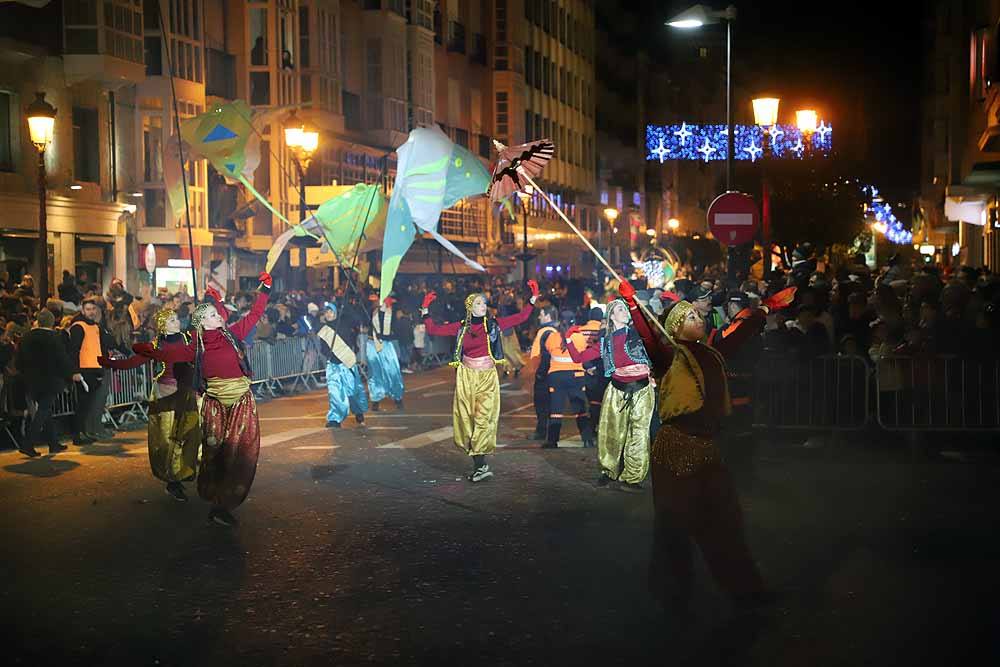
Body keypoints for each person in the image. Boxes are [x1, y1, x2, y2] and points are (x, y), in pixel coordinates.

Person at [621, 280, 795, 612]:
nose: (699, 320)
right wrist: (633, 305)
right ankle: (673, 595)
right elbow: (647, 337)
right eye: (689, 318)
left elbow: (742, 334)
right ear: (673, 327)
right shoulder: (669, 356)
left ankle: (746, 590)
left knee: (726, 522)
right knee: (674, 525)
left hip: (708, 446)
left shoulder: (714, 352)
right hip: (675, 447)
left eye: (698, 317)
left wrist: (766, 307)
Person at [136, 272, 272, 527]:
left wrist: (264, 290)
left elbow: (254, 315)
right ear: (202, 323)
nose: (219, 316)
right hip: (215, 405)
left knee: (239, 455)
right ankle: (212, 497)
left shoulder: (231, 334)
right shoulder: (195, 346)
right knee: (215, 454)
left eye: (217, 313)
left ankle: (222, 505)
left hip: (241, 402)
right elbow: (168, 356)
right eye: (212, 315)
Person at [421, 281, 539, 482]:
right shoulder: (461, 327)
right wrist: (425, 309)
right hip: (466, 376)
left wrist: (533, 298)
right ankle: (478, 461)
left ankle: (480, 465)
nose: (482, 306)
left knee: (483, 418)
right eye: (478, 303)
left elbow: (522, 317)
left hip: (487, 376)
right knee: (468, 419)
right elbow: (434, 329)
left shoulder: (493, 324)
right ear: (470, 307)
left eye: (484, 303)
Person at [100, 309, 200, 502]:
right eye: (172, 320)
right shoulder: (156, 345)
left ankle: (184, 470)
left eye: (176, 318)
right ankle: (173, 481)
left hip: (186, 392)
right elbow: (133, 362)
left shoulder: (189, 339)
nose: (177, 322)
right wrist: (110, 363)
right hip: (165, 393)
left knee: (190, 435)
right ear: (163, 325)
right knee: (169, 438)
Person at [567, 298, 654, 491]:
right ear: (612, 316)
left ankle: (632, 478)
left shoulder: (637, 333)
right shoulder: (605, 342)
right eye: (620, 309)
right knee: (610, 433)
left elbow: (647, 328)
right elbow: (578, 358)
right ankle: (609, 472)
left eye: (626, 309)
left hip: (641, 389)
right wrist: (568, 339)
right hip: (617, 389)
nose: (625, 312)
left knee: (638, 435)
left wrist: (632, 303)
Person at [15, 309, 74, 457]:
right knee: (43, 411)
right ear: (52, 322)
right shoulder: (54, 337)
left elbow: (18, 361)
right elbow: (62, 358)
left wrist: (25, 374)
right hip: (50, 380)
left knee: (44, 410)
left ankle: (53, 443)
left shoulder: (26, 337)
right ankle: (28, 444)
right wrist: (71, 374)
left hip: (31, 380)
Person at [539, 310, 594, 449]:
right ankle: (587, 440)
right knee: (580, 409)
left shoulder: (552, 337)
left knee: (556, 410)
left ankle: (552, 441)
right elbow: (584, 354)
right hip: (576, 376)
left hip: (556, 377)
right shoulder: (580, 338)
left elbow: (548, 354)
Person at [317, 303, 368, 428]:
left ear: (335, 313)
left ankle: (358, 411)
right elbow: (323, 349)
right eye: (326, 312)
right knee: (334, 393)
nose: (328, 314)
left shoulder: (344, 323)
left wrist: (346, 307)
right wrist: (328, 352)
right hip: (333, 366)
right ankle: (335, 418)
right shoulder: (324, 330)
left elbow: (357, 319)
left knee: (352, 392)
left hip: (347, 364)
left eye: (331, 311)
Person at [67, 299, 110, 446]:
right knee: (83, 403)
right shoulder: (78, 327)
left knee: (88, 403)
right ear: (83, 310)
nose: (91, 312)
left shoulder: (95, 327)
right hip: (84, 370)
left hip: (94, 368)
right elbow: (74, 351)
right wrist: (75, 371)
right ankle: (78, 434)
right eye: (88, 309)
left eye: (93, 309)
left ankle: (83, 432)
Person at [367, 297, 405, 411]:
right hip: (372, 344)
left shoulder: (394, 313)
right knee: (374, 372)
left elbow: (398, 332)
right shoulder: (371, 312)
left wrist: (386, 336)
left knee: (393, 371)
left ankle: (397, 397)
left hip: (387, 345)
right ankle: (376, 399)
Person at [528, 305, 560, 440]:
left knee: (542, 403)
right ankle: (544, 431)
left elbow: (546, 355)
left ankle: (542, 432)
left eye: (541, 314)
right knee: (546, 403)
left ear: (548, 316)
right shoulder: (552, 330)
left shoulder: (547, 332)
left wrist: (541, 372)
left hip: (545, 373)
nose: (539, 317)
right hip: (548, 372)